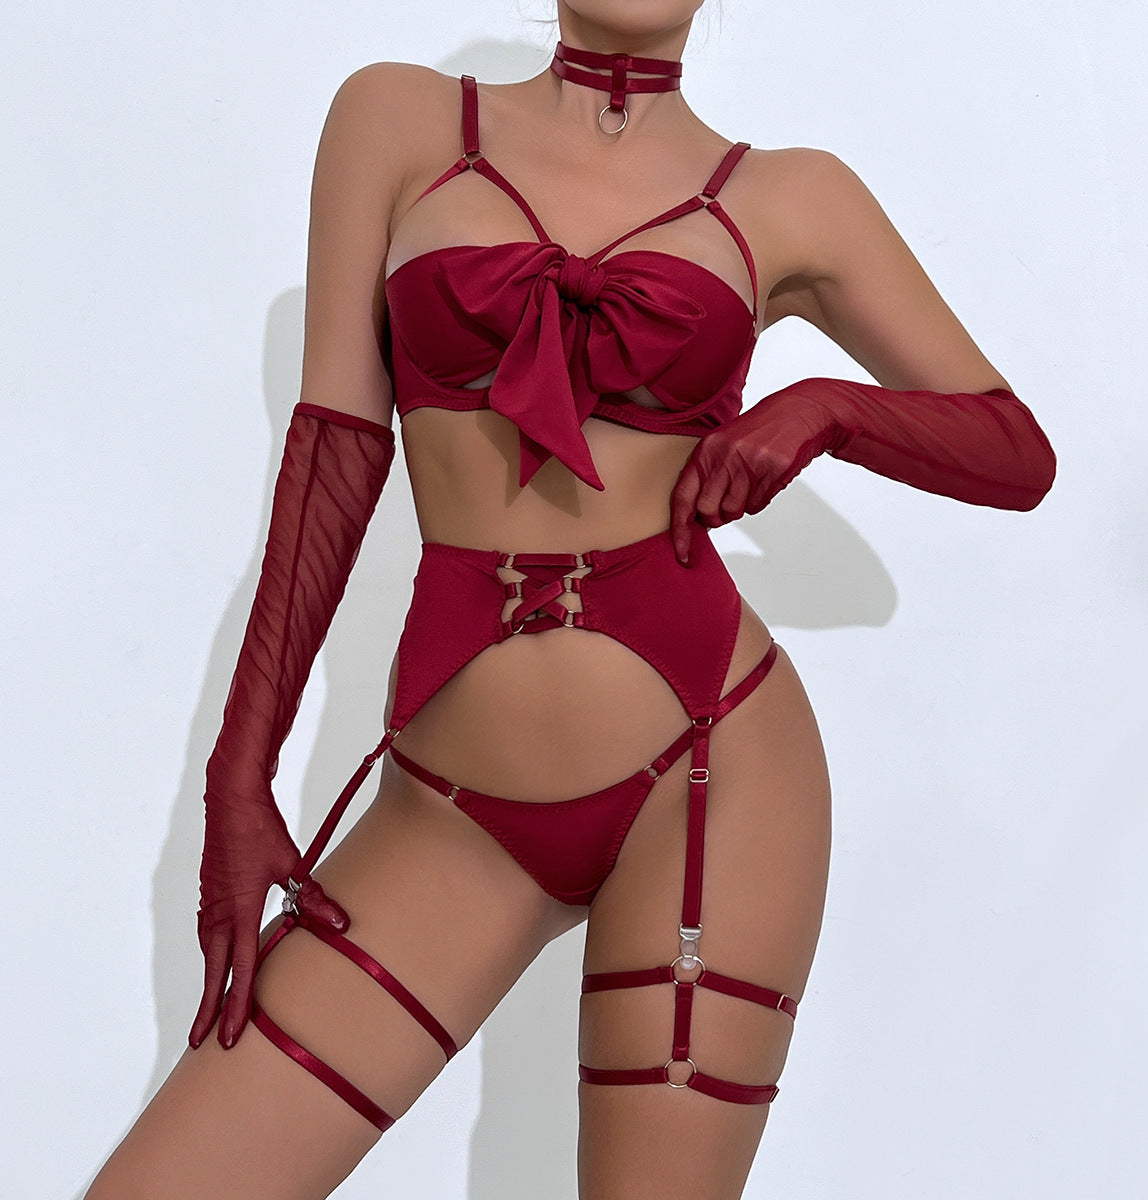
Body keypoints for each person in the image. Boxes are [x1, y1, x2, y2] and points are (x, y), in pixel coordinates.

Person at [84, 2, 1055, 1197]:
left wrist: (824, 411)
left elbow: (1014, 451)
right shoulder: (395, 118)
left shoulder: (793, 198)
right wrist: (239, 780)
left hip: (711, 776)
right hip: (451, 813)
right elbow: (335, 448)